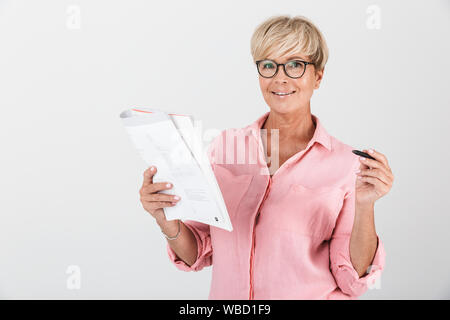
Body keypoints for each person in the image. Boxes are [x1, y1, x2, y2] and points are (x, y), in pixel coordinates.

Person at [139, 15, 394, 299]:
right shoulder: (225, 147)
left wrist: (366, 206)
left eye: (295, 65)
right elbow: (198, 251)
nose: (280, 78)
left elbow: (353, 278)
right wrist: (167, 221)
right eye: (268, 66)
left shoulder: (346, 165)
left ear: (318, 76)